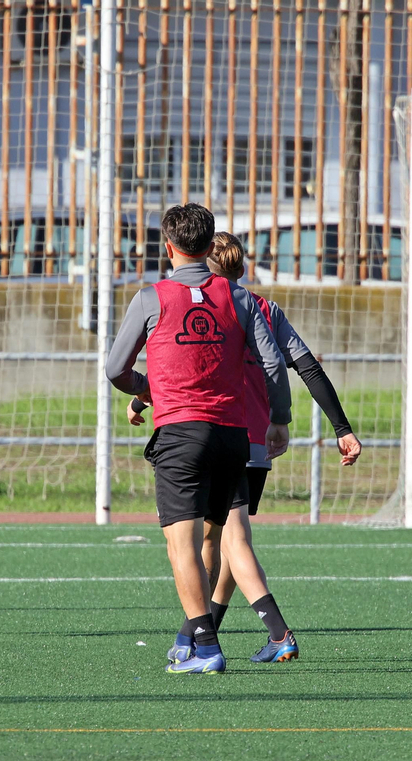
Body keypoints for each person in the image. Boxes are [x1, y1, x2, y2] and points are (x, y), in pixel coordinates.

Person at [143, 232, 362, 665]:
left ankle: (276, 633)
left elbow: (187, 367)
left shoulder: (203, 305)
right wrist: (341, 427)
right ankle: (197, 633)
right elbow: (306, 366)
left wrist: (139, 396)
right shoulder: (264, 308)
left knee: (232, 540)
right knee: (223, 542)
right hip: (256, 443)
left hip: (220, 434)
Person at [106, 203, 292, 674]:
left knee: (182, 545)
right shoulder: (239, 297)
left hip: (180, 436)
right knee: (216, 537)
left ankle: (207, 648)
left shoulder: (151, 298)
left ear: (168, 248)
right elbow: (272, 362)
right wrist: (279, 419)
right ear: (210, 247)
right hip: (233, 436)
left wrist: (147, 388)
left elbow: (115, 369)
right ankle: (189, 638)